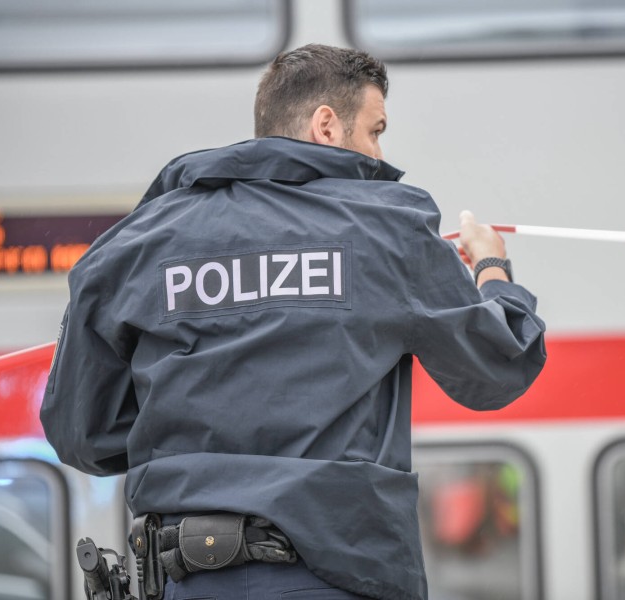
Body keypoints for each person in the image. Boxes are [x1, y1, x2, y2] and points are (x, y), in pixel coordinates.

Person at [40, 44, 546, 600]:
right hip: (337, 577)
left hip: (187, 579)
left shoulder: (137, 244)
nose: (379, 153)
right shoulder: (386, 230)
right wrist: (493, 269)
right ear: (326, 125)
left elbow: (81, 434)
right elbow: (498, 366)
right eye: (375, 130)